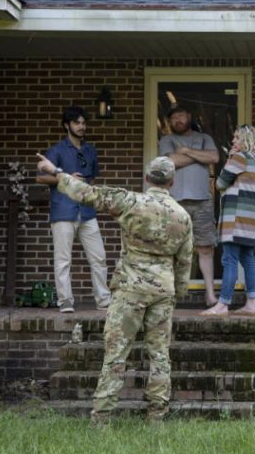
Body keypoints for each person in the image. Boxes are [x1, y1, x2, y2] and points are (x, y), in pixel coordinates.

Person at [36, 153, 192, 424]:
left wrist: (56, 171)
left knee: (116, 353)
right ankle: (157, 415)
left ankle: (102, 416)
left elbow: (87, 193)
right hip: (163, 291)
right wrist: (179, 291)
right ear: (172, 182)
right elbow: (185, 260)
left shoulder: (130, 201)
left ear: (147, 178)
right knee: (159, 354)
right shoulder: (183, 216)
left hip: (130, 288)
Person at [36, 106, 111, 312]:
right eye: (77, 123)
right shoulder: (56, 150)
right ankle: (65, 301)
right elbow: (41, 177)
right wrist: (67, 178)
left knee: (99, 257)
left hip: (87, 211)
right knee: (63, 260)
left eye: (83, 123)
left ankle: (103, 300)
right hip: (63, 210)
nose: (81, 126)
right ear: (66, 125)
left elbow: (92, 178)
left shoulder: (90, 150)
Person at [201, 125, 255, 317]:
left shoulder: (239, 158)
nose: (233, 141)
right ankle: (251, 304)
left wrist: (230, 158)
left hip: (236, 218)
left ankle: (222, 305)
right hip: (250, 220)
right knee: (248, 259)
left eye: (237, 138)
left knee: (229, 259)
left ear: (246, 140)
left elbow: (220, 183)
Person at [158, 104, 220, 306]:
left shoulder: (204, 138)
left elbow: (214, 157)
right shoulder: (166, 140)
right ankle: (171, 296)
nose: (177, 120)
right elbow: (171, 161)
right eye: (173, 117)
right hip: (174, 202)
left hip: (203, 201)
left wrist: (185, 151)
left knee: (205, 248)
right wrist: (198, 156)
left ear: (189, 116)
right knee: (172, 249)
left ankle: (210, 294)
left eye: (181, 115)